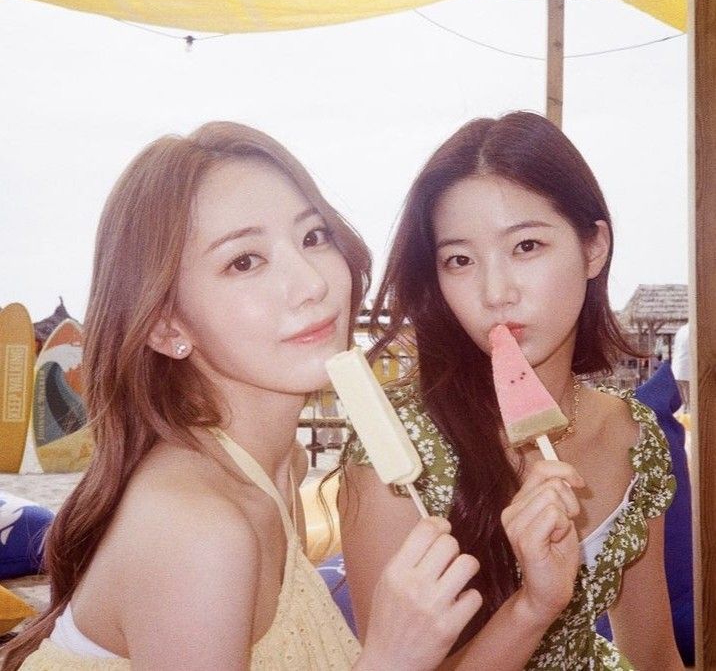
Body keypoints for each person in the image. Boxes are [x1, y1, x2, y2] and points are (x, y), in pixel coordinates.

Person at [2, 122, 481, 670]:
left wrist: (537, 604)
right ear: (166, 326)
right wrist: (391, 660)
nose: (312, 283)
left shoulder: (278, 467)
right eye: (244, 261)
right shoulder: (198, 530)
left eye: (312, 237)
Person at [340, 112, 685, 670]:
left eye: (526, 246)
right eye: (460, 260)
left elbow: (653, 655)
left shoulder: (632, 434)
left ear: (593, 247)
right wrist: (532, 607)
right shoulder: (393, 458)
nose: (495, 292)